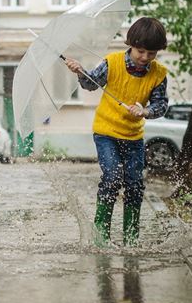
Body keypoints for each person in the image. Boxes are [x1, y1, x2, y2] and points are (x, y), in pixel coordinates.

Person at [64, 17, 168, 246]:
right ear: (130, 45)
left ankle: (131, 239)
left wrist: (146, 111)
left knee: (134, 183)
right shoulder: (112, 63)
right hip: (106, 133)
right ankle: (101, 238)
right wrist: (80, 71)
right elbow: (90, 84)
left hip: (133, 136)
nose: (145, 58)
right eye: (141, 51)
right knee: (112, 178)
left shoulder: (158, 74)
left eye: (152, 53)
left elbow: (161, 105)